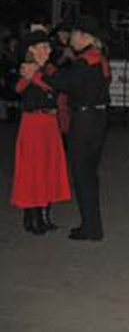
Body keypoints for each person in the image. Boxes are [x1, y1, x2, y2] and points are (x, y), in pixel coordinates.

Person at [41, 17, 111, 241]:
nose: (70, 37)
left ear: (82, 36)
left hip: (84, 120)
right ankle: (92, 226)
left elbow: (64, 84)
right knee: (90, 175)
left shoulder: (84, 61)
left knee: (82, 176)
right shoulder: (99, 58)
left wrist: (43, 71)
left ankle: (91, 228)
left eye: (73, 33)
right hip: (98, 118)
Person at [12, 31, 71, 235]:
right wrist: (32, 75)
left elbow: (57, 86)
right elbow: (17, 88)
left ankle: (43, 215)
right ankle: (33, 216)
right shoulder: (25, 68)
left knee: (48, 168)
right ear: (32, 50)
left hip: (49, 124)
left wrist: (36, 75)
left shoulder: (49, 69)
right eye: (44, 47)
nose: (48, 50)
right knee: (33, 169)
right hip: (33, 123)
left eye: (48, 46)